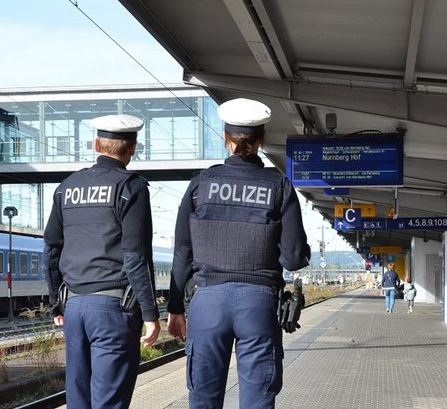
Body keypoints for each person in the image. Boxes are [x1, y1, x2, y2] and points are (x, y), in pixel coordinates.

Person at [166, 98, 311, 408]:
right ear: (262, 140)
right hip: (257, 304)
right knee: (258, 399)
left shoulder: (200, 185)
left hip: (206, 301)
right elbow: (294, 258)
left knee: (203, 397)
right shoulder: (279, 186)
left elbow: (182, 252)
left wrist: (175, 307)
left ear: (225, 138)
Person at [43, 113, 160, 409]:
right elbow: (136, 255)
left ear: (96, 144)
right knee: (109, 401)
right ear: (132, 148)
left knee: (78, 399)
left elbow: (51, 248)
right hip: (112, 309)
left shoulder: (66, 187)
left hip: (74, 308)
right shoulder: (131, 187)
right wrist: (149, 313)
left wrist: (56, 303)